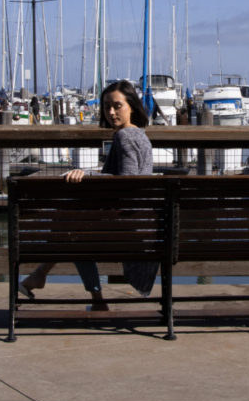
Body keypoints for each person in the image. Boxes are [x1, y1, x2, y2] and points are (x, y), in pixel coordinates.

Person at [17, 79, 154, 311]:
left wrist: (87, 175)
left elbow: (126, 181)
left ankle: (45, 277)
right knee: (73, 230)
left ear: (131, 105)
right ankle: (45, 278)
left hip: (127, 224)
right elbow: (126, 178)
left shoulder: (124, 136)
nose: (111, 112)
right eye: (107, 106)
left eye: (117, 106)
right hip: (139, 220)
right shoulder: (140, 135)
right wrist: (93, 174)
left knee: (72, 232)